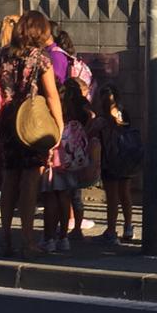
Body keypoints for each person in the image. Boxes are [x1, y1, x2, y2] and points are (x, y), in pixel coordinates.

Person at [0, 10, 64, 256]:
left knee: (9, 180)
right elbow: (52, 95)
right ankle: (27, 240)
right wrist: (59, 127)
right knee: (29, 183)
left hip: (7, 124)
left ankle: (5, 235)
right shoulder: (40, 58)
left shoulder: (3, 55)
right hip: (31, 126)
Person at [45, 80, 95, 253]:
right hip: (71, 158)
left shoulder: (52, 108)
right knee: (68, 198)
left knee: (51, 197)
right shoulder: (78, 110)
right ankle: (64, 237)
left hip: (54, 157)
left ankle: (49, 237)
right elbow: (91, 117)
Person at [93, 84, 137, 244]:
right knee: (125, 194)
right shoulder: (123, 113)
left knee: (112, 197)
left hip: (110, 160)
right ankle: (128, 227)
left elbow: (90, 133)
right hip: (126, 158)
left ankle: (111, 231)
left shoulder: (102, 119)